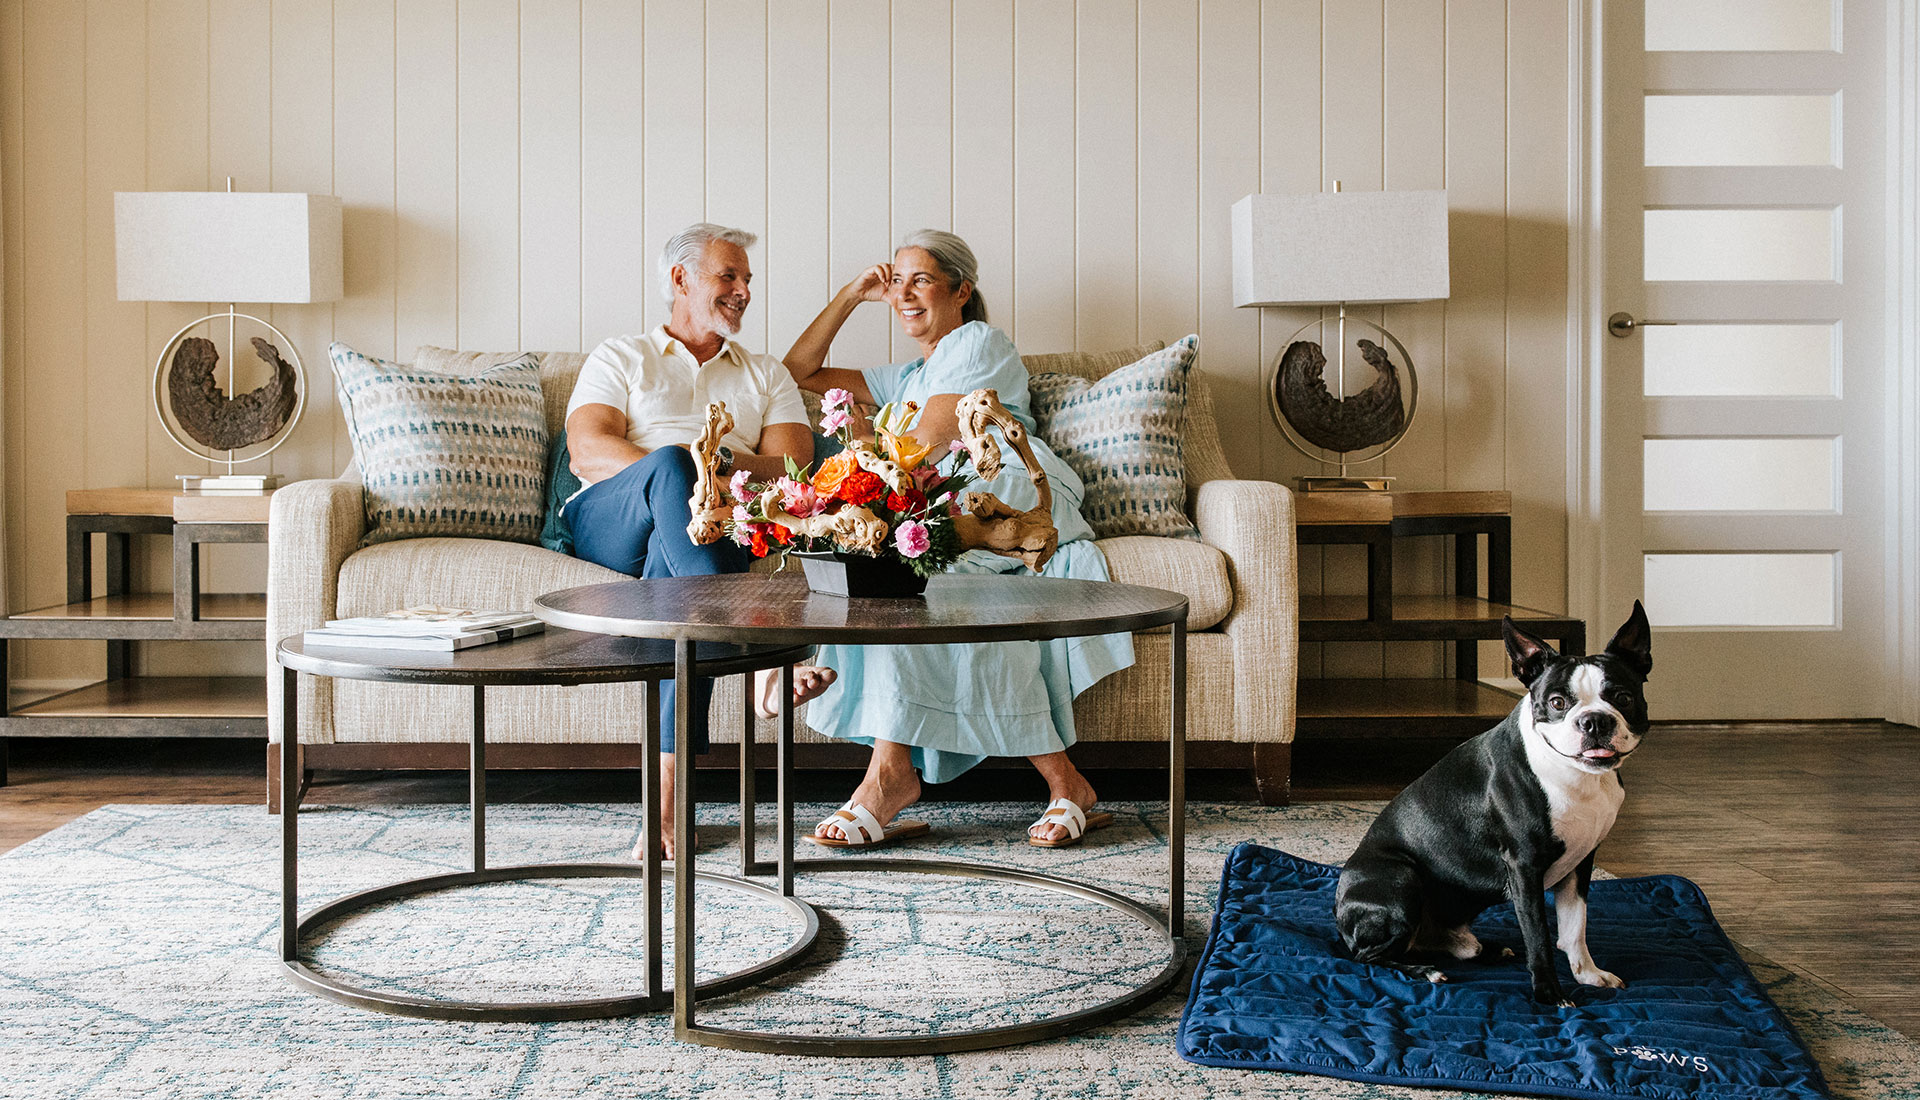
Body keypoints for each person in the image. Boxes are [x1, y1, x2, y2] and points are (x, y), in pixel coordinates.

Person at [782, 229, 1135, 848]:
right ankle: (1060, 782)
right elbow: (798, 371)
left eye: (920, 279)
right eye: (898, 282)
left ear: (961, 289)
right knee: (926, 592)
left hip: (1007, 489)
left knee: (920, 581)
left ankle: (890, 779)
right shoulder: (908, 376)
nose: (904, 294)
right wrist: (848, 296)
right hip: (942, 499)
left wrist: (865, 459)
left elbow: (931, 444)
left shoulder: (979, 341)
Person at [564, 222, 835, 859]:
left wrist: (713, 483)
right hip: (614, 519)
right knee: (669, 466)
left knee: (679, 595)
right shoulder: (620, 356)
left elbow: (795, 468)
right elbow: (588, 447)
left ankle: (665, 810)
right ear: (682, 278)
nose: (743, 290)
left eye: (747, 280)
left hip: (712, 531)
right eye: (729, 276)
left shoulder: (766, 374)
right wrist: (690, 471)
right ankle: (760, 665)